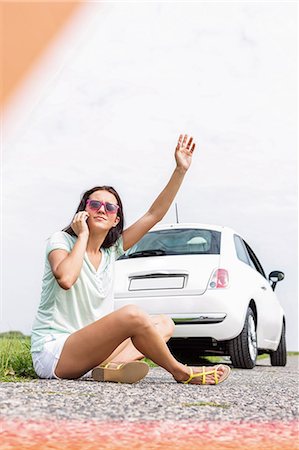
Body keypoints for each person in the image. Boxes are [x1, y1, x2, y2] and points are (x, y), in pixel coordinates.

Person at [31, 134, 231, 385]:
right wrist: (82, 235)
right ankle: (181, 371)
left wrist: (180, 170)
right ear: (83, 211)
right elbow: (66, 278)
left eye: (110, 207)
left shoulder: (111, 251)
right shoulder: (61, 241)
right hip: (55, 354)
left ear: (116, 219)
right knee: (132, 315)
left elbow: (153, 214)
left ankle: (111, 367)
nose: (102, 209)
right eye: (95, 204)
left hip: (90, 351)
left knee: (163, 323)